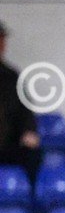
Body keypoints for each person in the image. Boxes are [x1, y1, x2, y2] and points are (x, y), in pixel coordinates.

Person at [0, 21, 42, 185]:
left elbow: (25, 111)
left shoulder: (12, 76)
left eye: (2, 40)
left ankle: (28, 202)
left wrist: (28, 131)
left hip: (6, 144)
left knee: (32, 153)